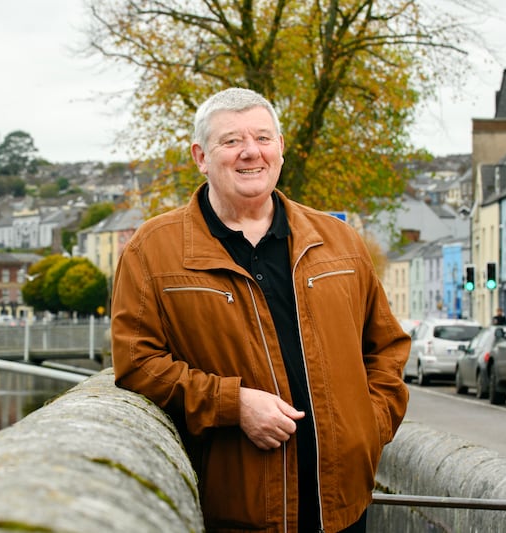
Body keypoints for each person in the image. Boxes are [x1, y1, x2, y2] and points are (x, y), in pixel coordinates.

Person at [111, 87, 410, 532]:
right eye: (231, 141)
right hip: (236, 511)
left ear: (281, 149)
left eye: (263, 138)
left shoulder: (340, 241)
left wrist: (365, 429)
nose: (251, 152)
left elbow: (386, 348)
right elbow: (137, 364)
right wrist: (233, 404)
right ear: (201, 156)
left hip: (342, 506)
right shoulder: (153, 250)